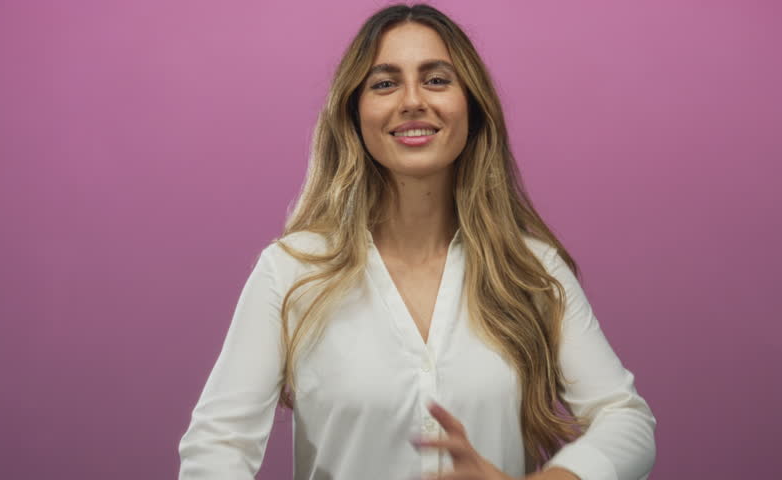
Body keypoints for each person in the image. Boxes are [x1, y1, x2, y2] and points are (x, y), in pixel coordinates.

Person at [177, 3, 657, 480]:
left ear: (472, 107)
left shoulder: (530, 270)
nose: (412, 100)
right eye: (384, 83)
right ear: (354, 113)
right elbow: (215, 448)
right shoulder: (290, 272)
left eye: (436, 79)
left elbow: (626, 418)